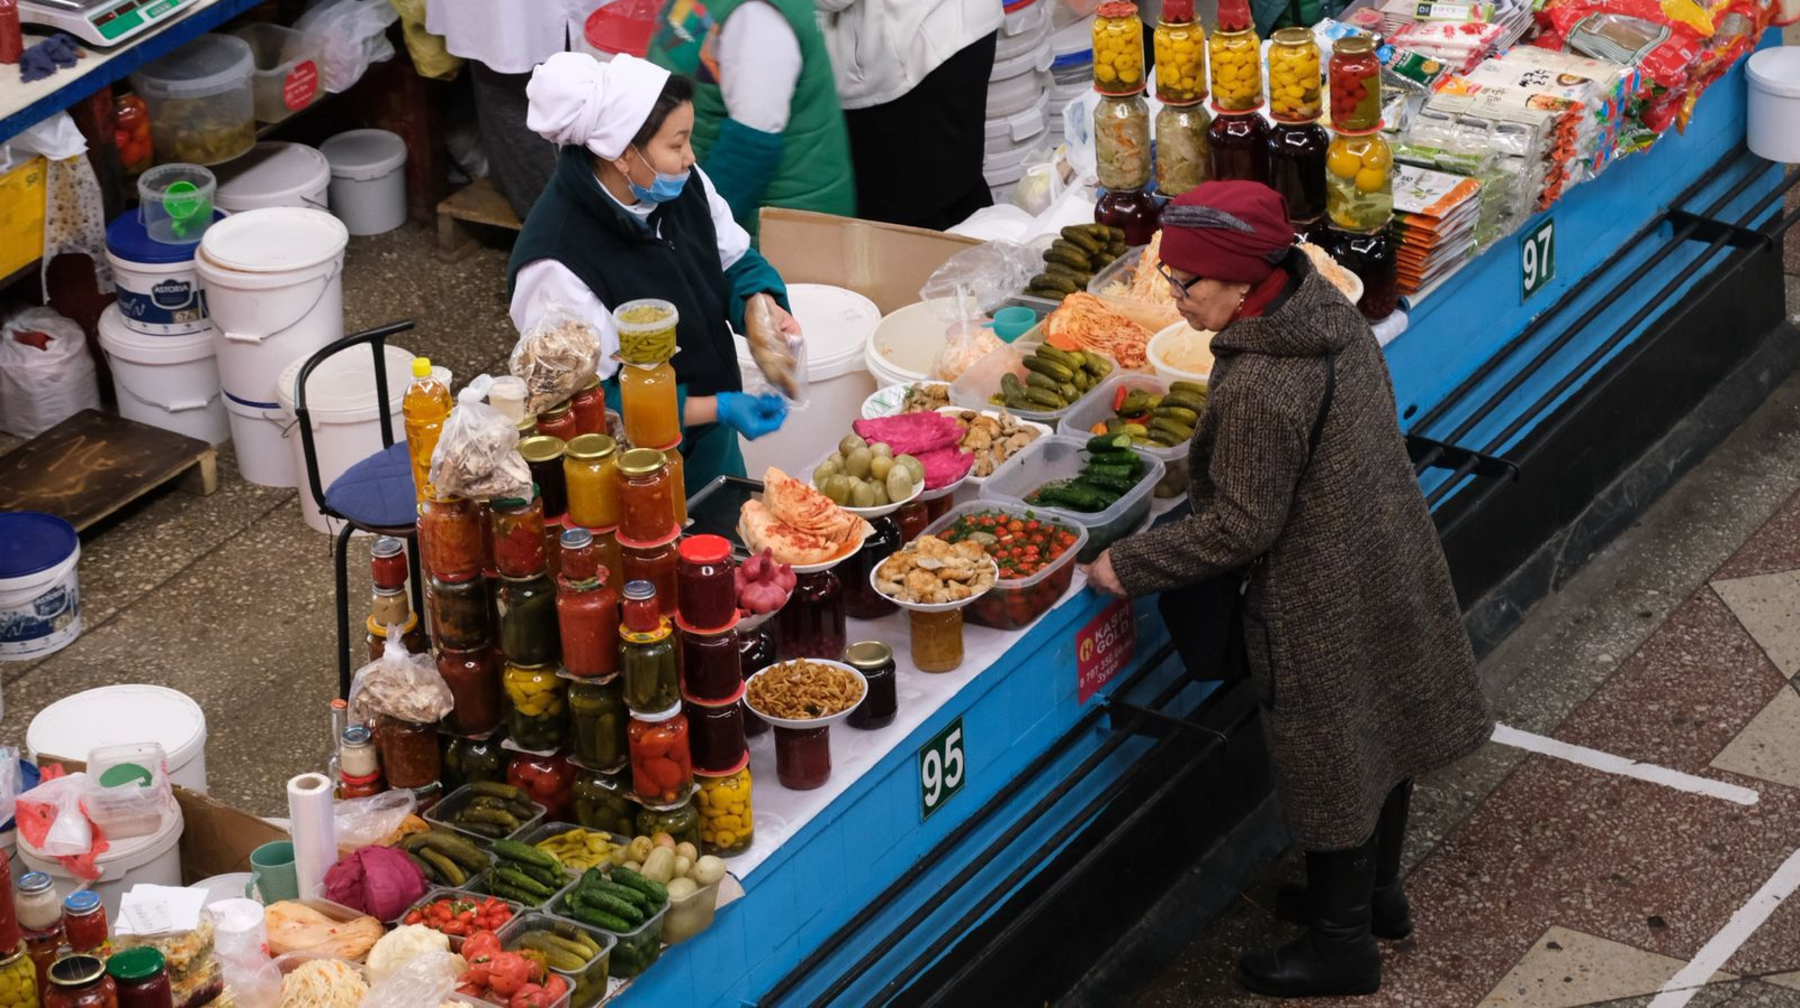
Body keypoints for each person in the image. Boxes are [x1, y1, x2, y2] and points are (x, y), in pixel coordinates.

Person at [1086, 182, 1494, 998]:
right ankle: (1376, 897)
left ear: (1241, 283)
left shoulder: (1262, 385)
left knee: (1335, 755)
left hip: (1316, 595)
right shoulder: (1326, 315)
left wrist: (1124, 567)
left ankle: (1340, 945)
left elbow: (1239, 528)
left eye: (1188, 284)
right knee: (1387, 725)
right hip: (1383, 553)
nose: (1177, 298)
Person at [509, 53, 795, 496]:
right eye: (678, 144)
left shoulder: (679, 182)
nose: (690, 158)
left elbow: (734, 259)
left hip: (712, 441)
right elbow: (598, 404)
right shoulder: (556, 262)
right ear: (624, 155)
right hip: (634, 470)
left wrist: (763, 308)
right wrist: (717, 407)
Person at [647, 0, 855, 240]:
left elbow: (749, 149)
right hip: (689, 187)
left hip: (774, 234)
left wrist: (684, 229)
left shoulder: (759, 20)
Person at [815, 0, 1000, 231]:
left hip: (907, 53)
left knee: (907, 220)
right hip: (956, 28)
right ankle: (999, 262)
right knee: (956, 191)